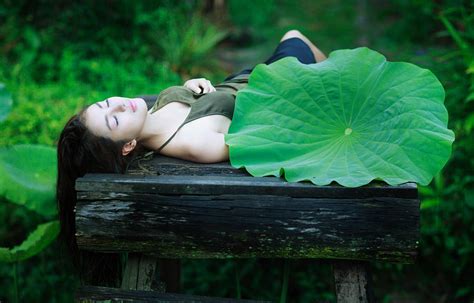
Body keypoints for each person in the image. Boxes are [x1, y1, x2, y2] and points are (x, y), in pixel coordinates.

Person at [56, 29, 327, 282]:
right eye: (113, 121)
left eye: (105, 103)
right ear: (127, 146)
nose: (117, 106)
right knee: (296, 39)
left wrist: (192, 85)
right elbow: (259, 142)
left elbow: (196, 101)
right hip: (279, 94)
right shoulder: (194, 144)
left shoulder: (155, 110)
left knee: (297, 40)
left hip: (251, 78)